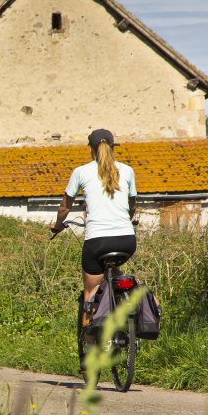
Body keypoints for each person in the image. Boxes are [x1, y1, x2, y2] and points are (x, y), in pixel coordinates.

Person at [50, 129, 137, 356]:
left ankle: (90, 353)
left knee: (90, 291)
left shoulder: (80, 172)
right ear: (113, 147)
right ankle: (127, 307)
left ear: (90, 149)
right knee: (115, 272)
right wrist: (125, 222)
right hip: (127, 241)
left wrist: (58, 225)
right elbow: (132, 206)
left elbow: (64, 208)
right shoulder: (127, 170)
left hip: (96, 242)